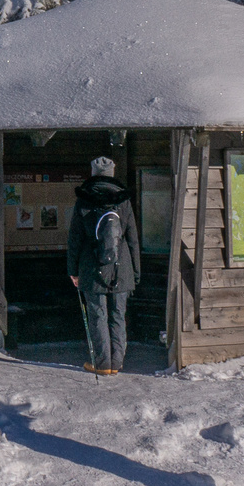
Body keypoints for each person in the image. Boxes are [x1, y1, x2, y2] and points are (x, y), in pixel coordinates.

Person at [65, 156, 140, 376]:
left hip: (91, 266)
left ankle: (102, 363)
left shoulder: (84, 200)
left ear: (93, 173)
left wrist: (73, 270)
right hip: (121, 266)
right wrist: (135, 272)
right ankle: (117, 362)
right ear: (112, 173)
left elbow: (75, 240)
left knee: (98, 315)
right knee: (118, 314)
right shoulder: (123, 201)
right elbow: (133, 239)